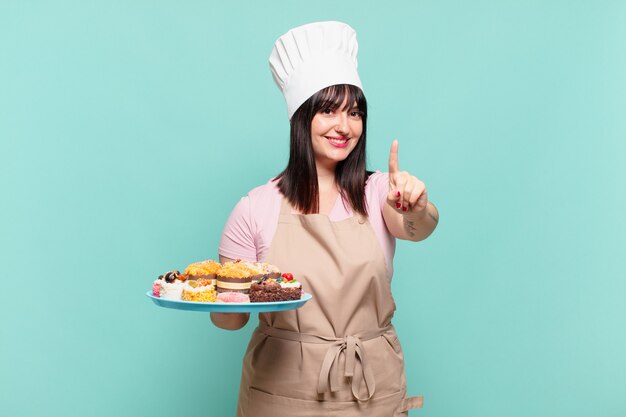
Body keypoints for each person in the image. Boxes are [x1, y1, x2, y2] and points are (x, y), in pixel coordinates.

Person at [211, 21, 439, 417]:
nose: (344, 126)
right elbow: (229, 322)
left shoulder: (378, 191)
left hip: (372, 390)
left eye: (354, 112)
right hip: (281, 397)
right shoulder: (255, 207)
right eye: (328, 111)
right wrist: (220, 294)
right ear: (302, 118)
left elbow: (419, 228)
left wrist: (417, 207)